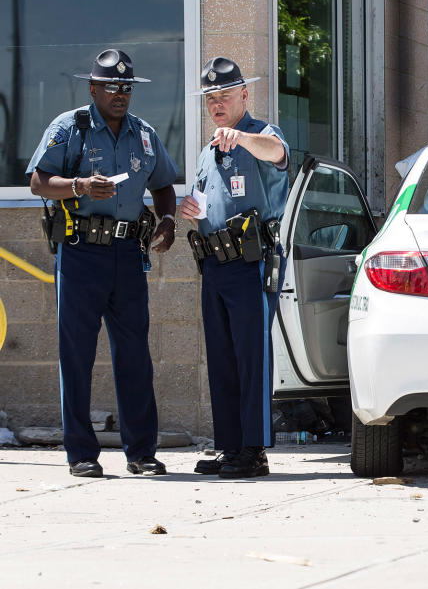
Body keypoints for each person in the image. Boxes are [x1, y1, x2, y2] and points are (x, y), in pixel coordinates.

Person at [26, 49, 177, 478]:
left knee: (134, 355)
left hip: (128, 254)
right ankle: (81, 454)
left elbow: (164, 184)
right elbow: (38, 181)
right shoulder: (70, 127)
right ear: (93, 88)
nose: (120, 94)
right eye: (111, 86)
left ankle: (141, 452)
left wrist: (166, 219)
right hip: (80, 253)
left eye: (126, 88)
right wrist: (78, 186)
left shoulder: (144, 134)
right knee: (76, 354)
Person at [179, 57, 289, 479]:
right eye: (210, 99)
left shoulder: (260, 134)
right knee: (222, 359)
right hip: (214, 262)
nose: (217, 105)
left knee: (251, 356)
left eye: (224, 96)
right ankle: (231, 446)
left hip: (250, 262)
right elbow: (204, 198)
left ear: (244, 95)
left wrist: (241, 137)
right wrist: (192, 207)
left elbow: (277, 154)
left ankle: (254, 451)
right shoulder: (209, 152)